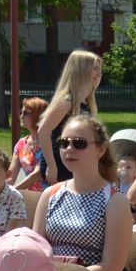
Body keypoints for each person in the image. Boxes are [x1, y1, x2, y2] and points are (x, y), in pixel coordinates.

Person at [32, 115, 133, 271]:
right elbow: (36, 251)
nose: (69, 149)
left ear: (101, 150)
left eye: (79, 143)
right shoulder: (50, 194)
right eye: (64, 143)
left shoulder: (115, 201)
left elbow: (111, 268)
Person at [36, 50, 102, 186]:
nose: (99, 74)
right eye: (95, 68)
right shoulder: (67, 101)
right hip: (60, 165)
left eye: (99, 69)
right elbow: (43, 131)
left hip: (74, 162)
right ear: (82, 70)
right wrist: (51, 166)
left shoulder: (87, 101)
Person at [12, 97, 48, 192]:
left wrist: (12, 192)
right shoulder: (20, 144)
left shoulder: (48, 141)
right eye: (21, 112)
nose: (21, 116)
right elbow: (10, 176)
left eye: (26, 113)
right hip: (31, 196)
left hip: (50, 196)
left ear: (38, 115)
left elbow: (37, 174)